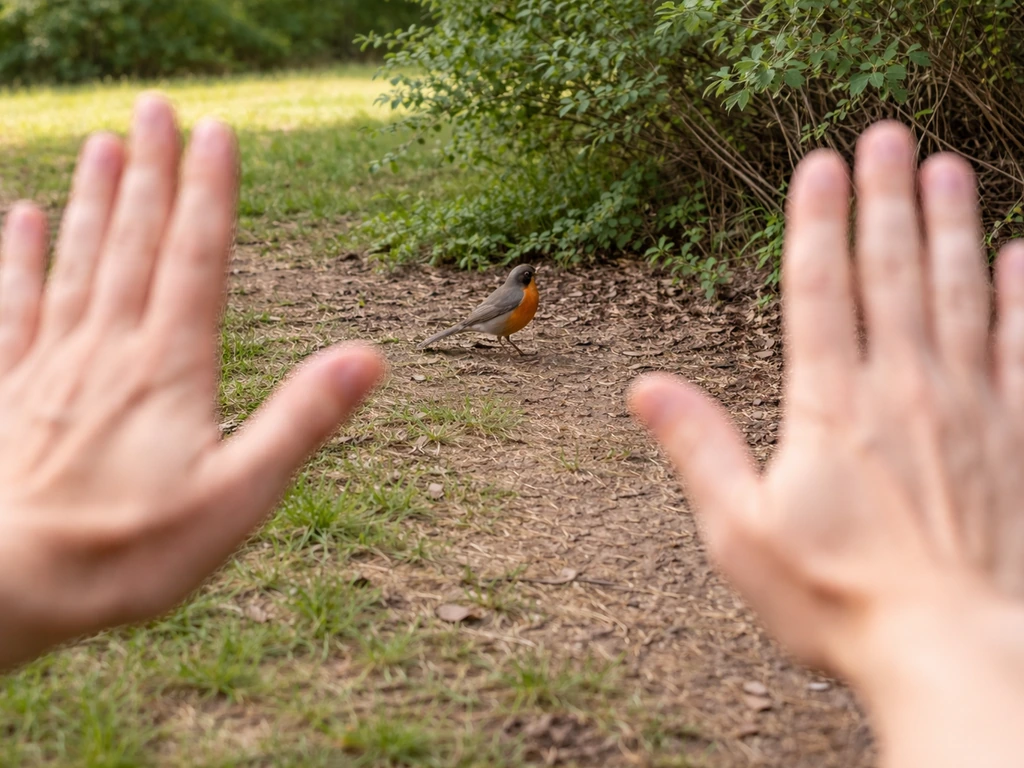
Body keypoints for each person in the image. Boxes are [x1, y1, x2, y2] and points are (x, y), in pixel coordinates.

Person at [0, 94, 1022, 766]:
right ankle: (455, 345)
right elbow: (496, 313)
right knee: (466, 337)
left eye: (525, 283)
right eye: (530, 281)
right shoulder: (512, 300)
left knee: (471, 339)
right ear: (524, 284)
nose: (531, 287)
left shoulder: (530, 292)